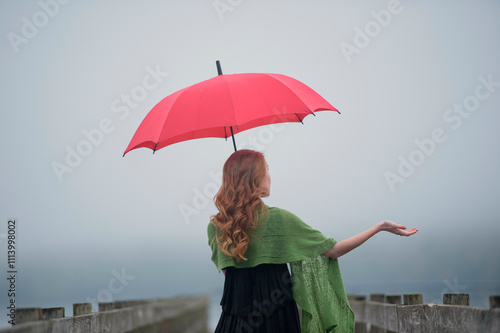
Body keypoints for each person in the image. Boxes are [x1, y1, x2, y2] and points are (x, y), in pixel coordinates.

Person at [208, 150, 418, 333]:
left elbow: (230, 274)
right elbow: (333, 250)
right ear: (254, 177)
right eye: (267, 170)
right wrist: (378, 227)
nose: (270, 176)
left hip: (233, 321)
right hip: (278, 320)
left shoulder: (217, 227)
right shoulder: (280, 220)